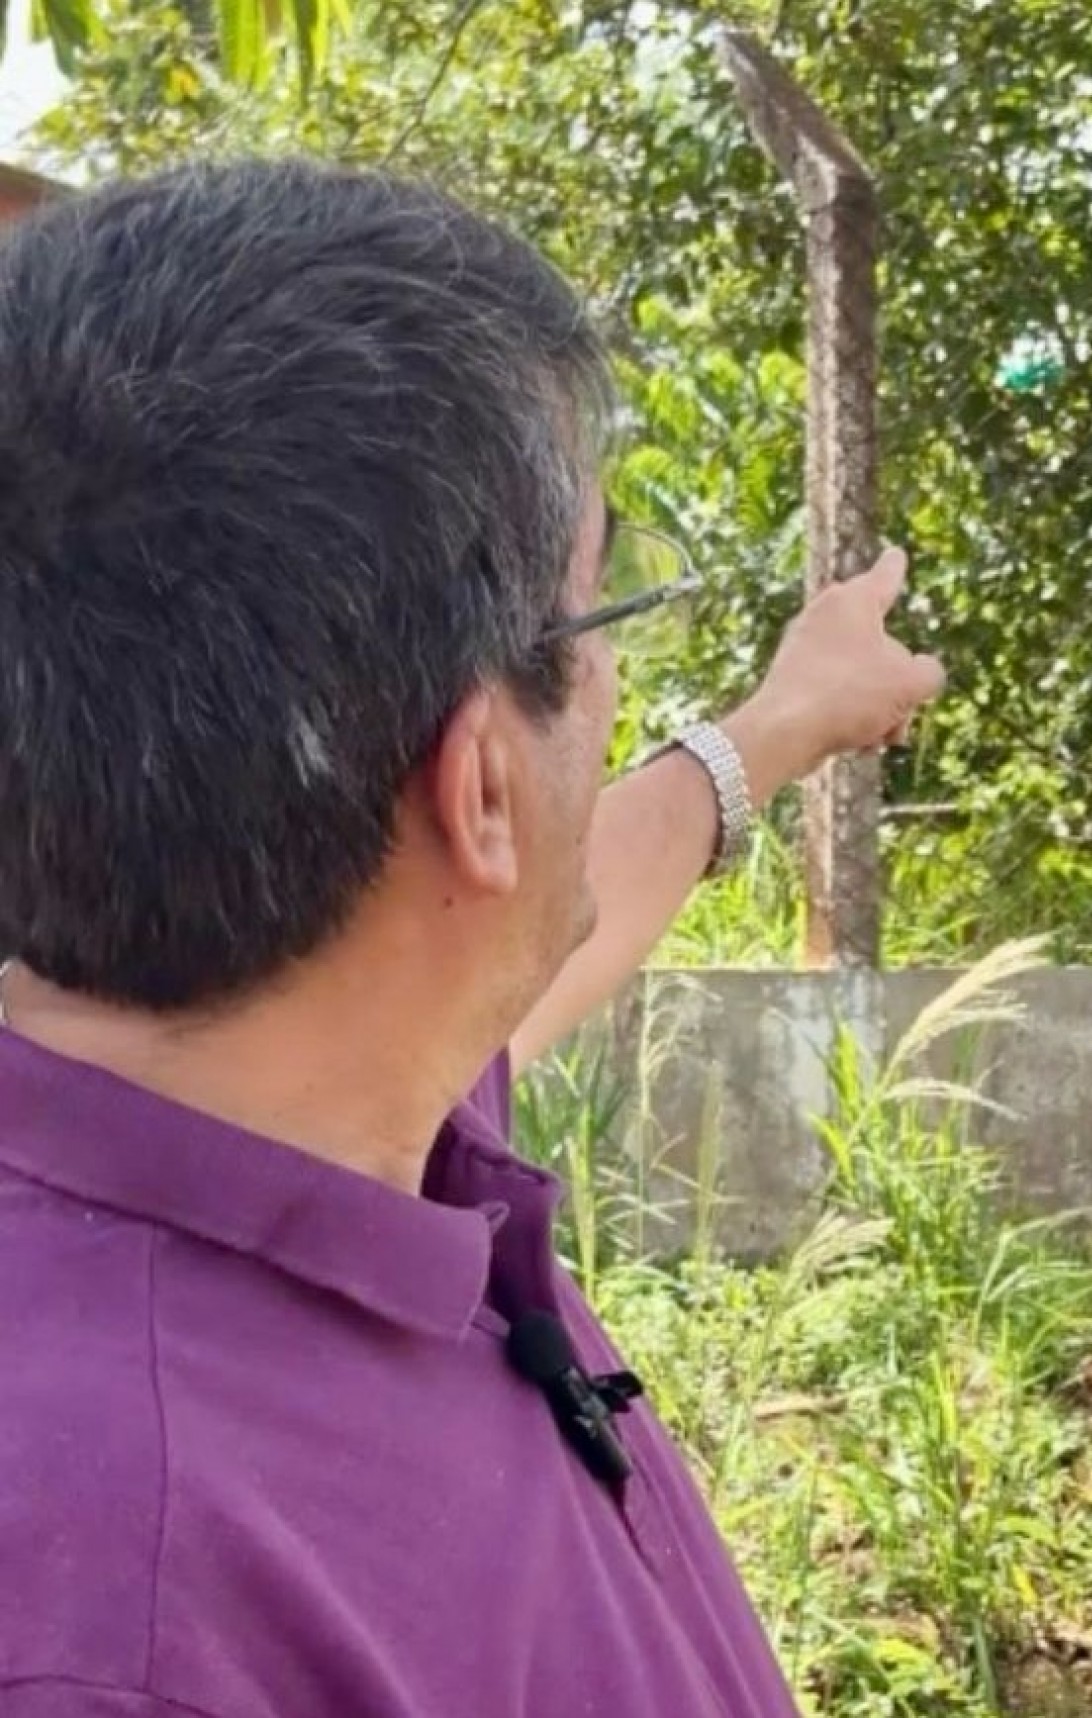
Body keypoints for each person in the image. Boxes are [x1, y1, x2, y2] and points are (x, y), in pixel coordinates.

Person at [0, 159, 944, 1717]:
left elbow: (579, 901)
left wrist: (782, 723)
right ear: (479, 789)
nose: (616, 686)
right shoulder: (120, 1621)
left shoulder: (312, 1086)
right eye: (594, 620)